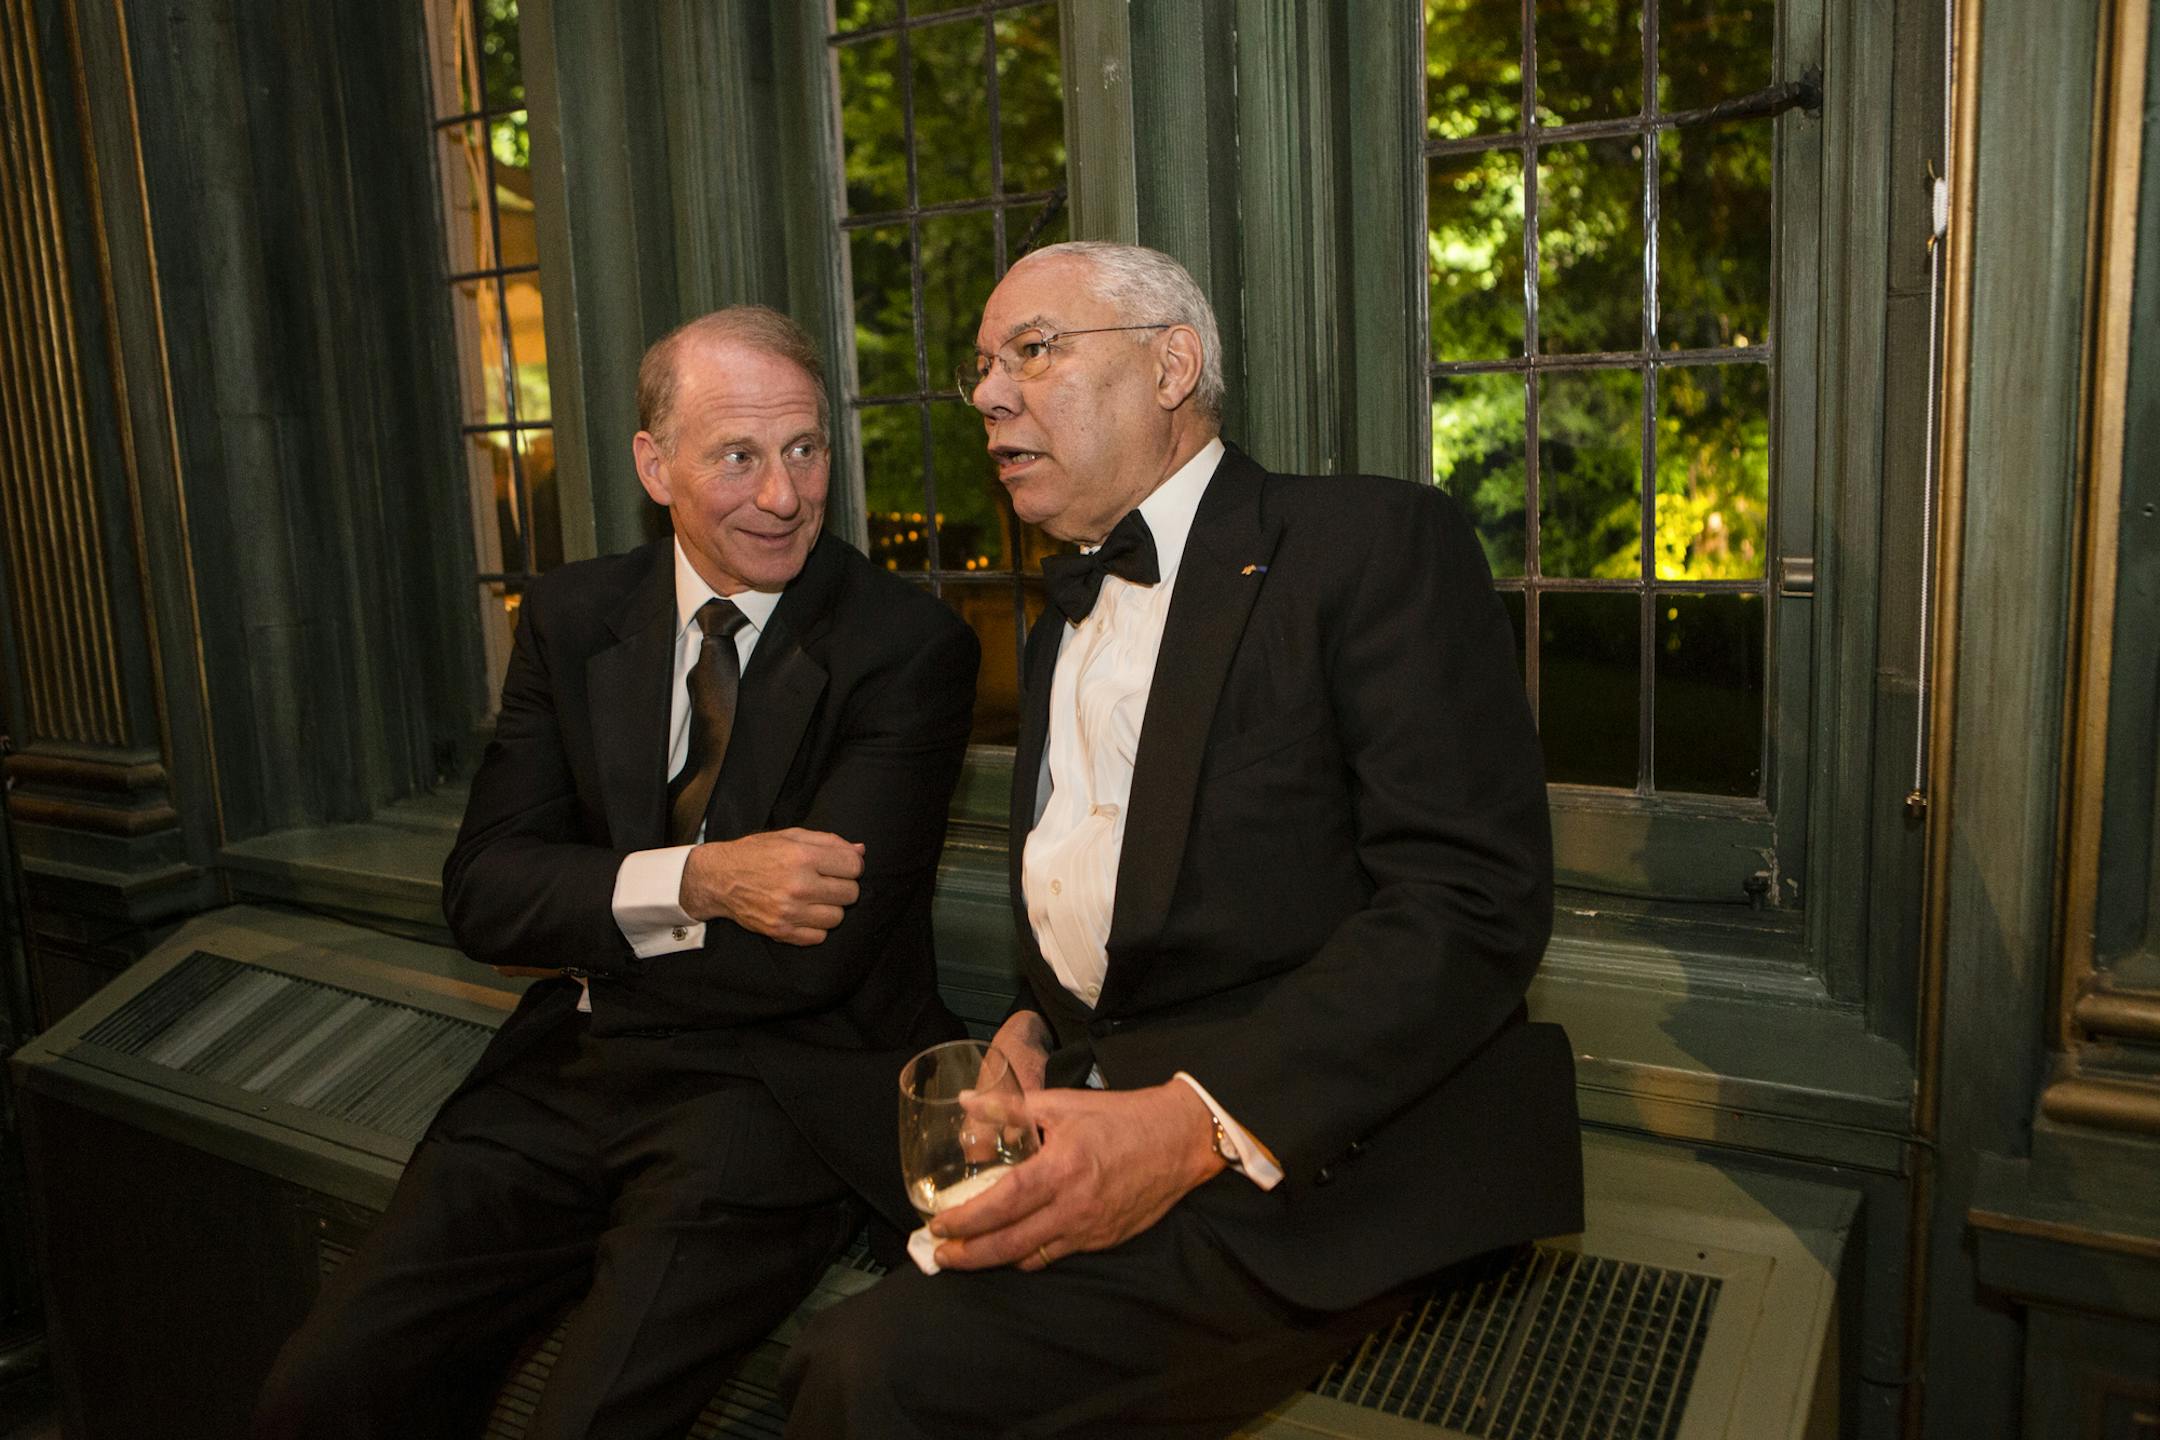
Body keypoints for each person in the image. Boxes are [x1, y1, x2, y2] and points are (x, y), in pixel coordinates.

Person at [781, 243, 1582, 1439]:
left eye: (1034, 351)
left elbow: (1473, 904)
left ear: (1172, 366)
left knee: (865, 1374)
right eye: (982, 367)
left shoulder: (1369, 540)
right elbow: (1138, 899)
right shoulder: (1056, 629)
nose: (990, 394)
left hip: (1327, 1162)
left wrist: (1192, 1123)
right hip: (1103, 1112)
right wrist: (1037, 1022)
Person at [255, 305, 980, 1440]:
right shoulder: (573, 615)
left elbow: (813, 961)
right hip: (569, 1073)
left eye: (804, 449)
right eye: (738, 456)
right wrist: (697, 883)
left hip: (773, 1089)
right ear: (655, 465)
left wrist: (592, 919)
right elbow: (483, 895)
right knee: (326, 1389)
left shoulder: (906, 645)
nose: (783, 495)